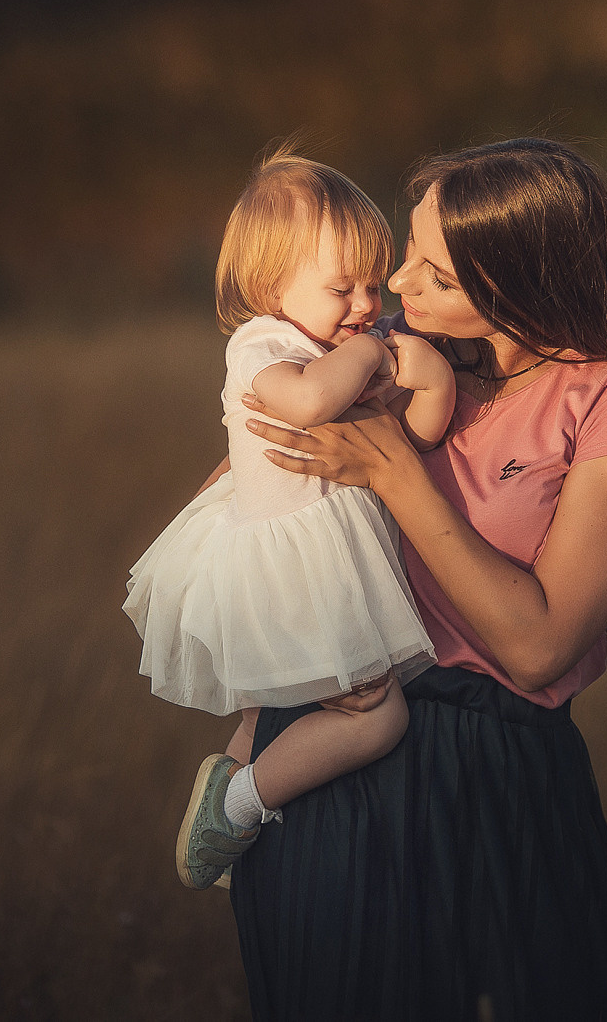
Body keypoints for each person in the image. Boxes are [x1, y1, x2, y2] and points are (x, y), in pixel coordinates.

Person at [234, 138, 607, 1022]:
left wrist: (393, 469)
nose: (395, 282)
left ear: (516, 280)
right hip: (329, 750)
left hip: (490, 774)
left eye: (434, 270)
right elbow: (248, 496)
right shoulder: (391, 358)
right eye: (410, 252)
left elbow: (539, 646)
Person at [124, 148, 448, 890]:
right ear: (273, 286)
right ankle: (240, 804)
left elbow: (418, 441)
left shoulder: (335, 349)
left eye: (373, 283)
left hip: (323, 563)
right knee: (376, 716)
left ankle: (232, 785)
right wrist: (373, 352)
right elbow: (305, 403)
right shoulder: (263, 347)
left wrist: (424, 379)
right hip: (289, 571)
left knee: (277, 706)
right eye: (342, 287)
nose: (365, 303)